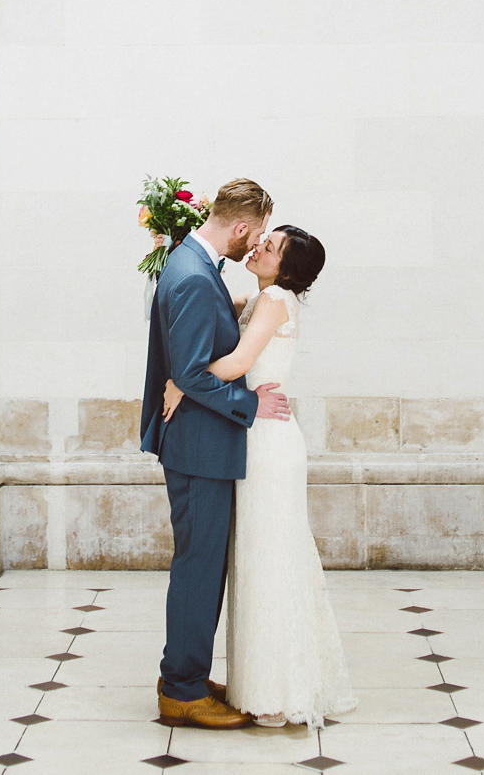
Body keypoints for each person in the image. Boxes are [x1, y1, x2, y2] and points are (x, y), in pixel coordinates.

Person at [162, 224, 357, 729]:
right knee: (255, 556)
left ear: (286, 270)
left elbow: (239, 360)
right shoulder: (264, 295)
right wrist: (175, 240)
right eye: (262, 238)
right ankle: (258, 681)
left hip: (267, 444)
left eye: (268, 248)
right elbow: (211, 299)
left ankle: (274, 690)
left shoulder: (273, 301)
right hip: (257, 435)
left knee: (267, 558)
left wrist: (180, 384)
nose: (258, 247)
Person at [140, 177, 290, 731]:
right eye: (257, 236)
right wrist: (248, 402)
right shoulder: (196, 277)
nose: (254, 247)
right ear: (243, 226)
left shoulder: (191, 266)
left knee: (200, 565)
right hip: (199, 446)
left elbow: (191, 363)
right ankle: (180, 689)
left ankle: (188, 674)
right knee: (199, 568)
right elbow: (194, 373)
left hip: (197, 444)